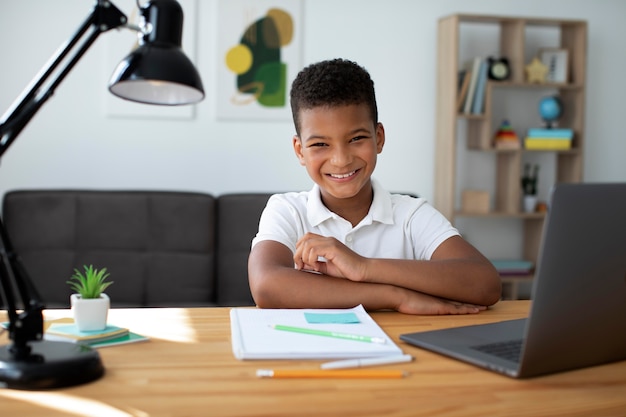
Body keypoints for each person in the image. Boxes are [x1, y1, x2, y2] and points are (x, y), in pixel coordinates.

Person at [248, 58, 501, 315]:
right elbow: (266, 286)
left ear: (378, 138)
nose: (341, 160)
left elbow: (486, 283)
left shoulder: (411, 215)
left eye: (356, 139)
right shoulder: (287, 210)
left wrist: (364, 267)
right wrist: (393, 296)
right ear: (299, 150)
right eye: (320, 144)